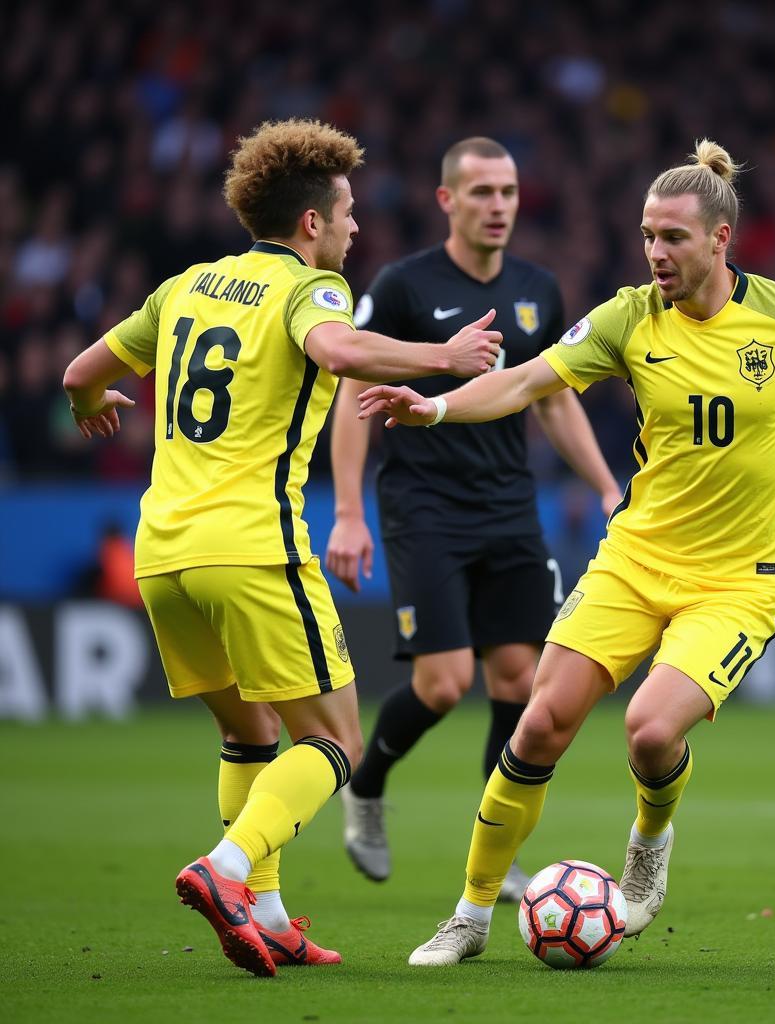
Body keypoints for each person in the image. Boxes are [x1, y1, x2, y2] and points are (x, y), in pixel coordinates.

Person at [357, 140, 775, 966]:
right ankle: (471, 913)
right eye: (646, 237)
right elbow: (526, 382)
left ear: (720, 239)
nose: (656, 254)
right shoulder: (629, 317)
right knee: (539, 724)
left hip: (738, 582)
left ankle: (648, 844)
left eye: (672, 238)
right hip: (636, 559)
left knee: (649, 732)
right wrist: (436, 408)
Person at [61, 118, 502, 977]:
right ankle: (226, 871)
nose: (355, 230)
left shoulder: (185, 285)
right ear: (311, 224)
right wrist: (442, 357)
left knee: (250, 738)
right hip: (253, 547)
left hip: (163, 555)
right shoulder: (312, 289)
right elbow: (336, 350)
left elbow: (82, 375)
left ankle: (265, 914)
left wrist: (88, 411)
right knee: (335, 740)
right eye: (346, 215)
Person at [327, 136, 621, 901]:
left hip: (509, 505)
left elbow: (553, 397)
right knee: (444, 682)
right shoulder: (401, 285)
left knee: (520, 680)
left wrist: (606, 486)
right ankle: (367, 783)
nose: (499, 206)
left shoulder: (538, 288)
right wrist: (350, 511)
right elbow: (351, 391)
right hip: (424, 505)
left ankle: (498, 855)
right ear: (447, 200)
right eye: (483, 192)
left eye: (509, 192)